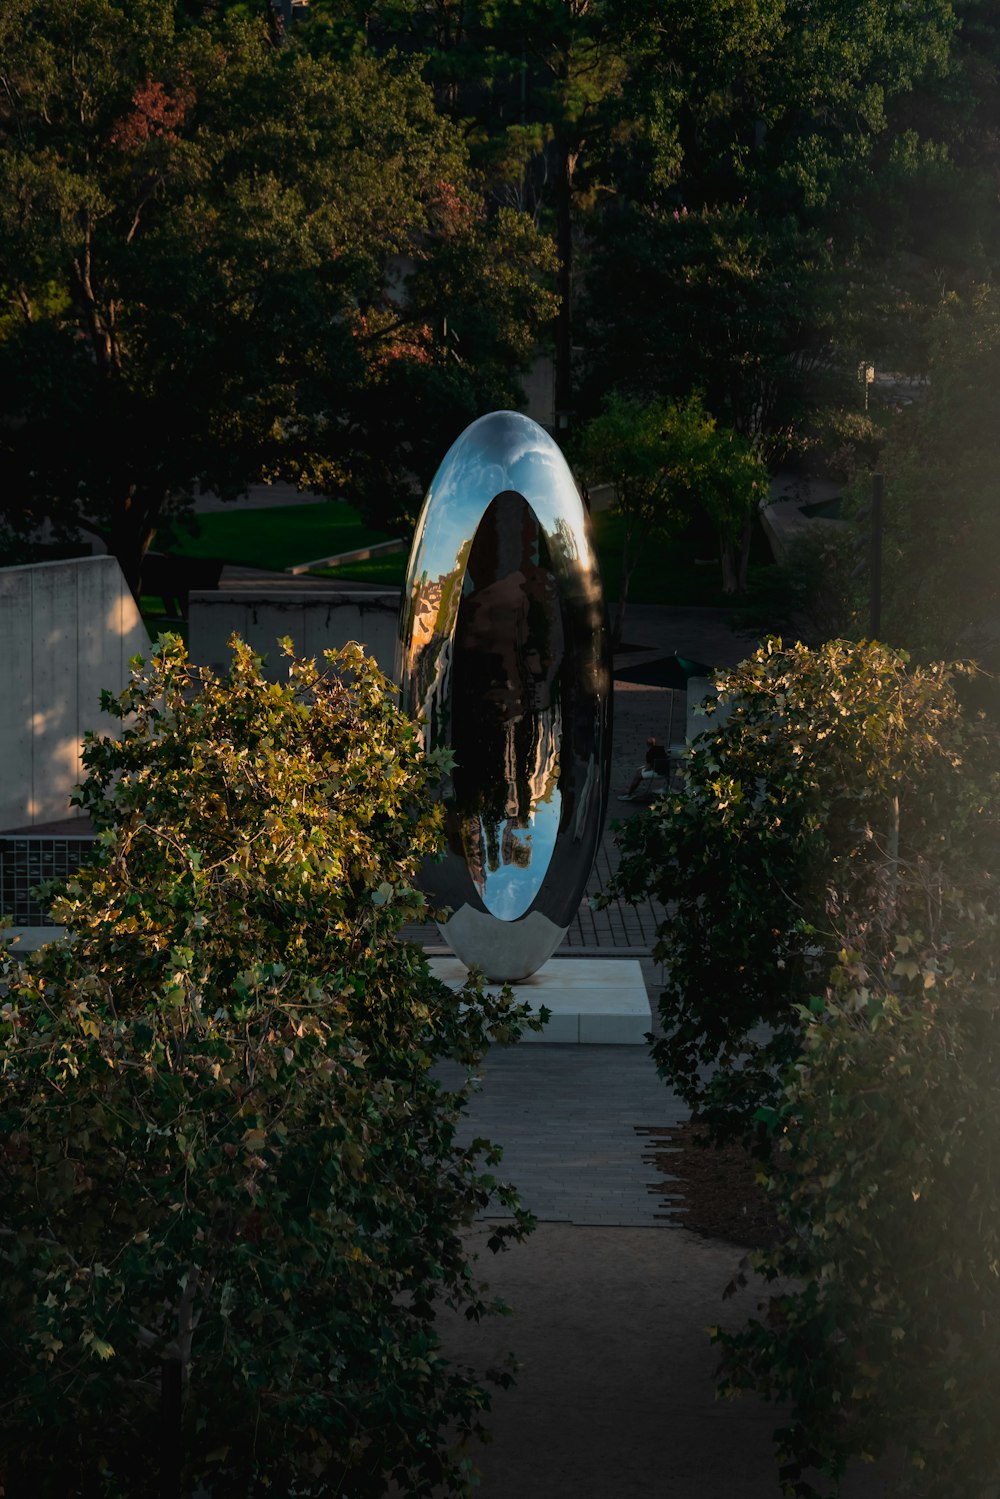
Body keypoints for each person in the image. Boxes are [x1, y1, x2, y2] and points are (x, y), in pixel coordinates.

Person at [618, 736, 669, 801]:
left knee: (638, 776)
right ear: (655, 743)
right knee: (639, 772)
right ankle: (631, 788)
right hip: (665, 770)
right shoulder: (661, 749)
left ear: (647, 745)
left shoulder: (649, 753)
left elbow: (648, 767)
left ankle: (629, 794)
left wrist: (643, 771)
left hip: (658, 772)